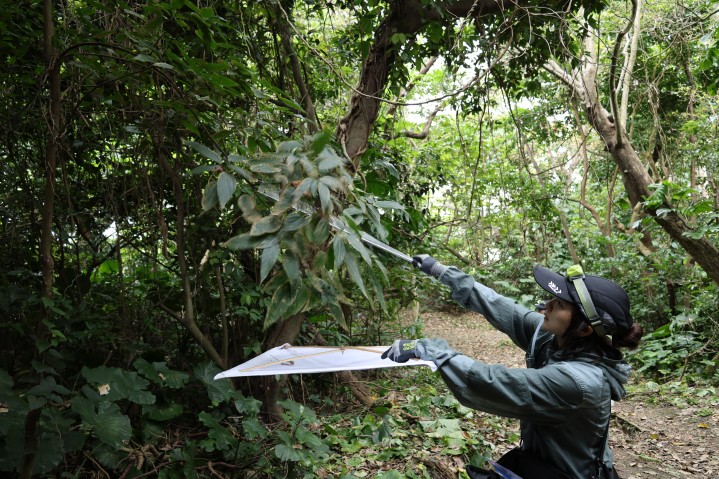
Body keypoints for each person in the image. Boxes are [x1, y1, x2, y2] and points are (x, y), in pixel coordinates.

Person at [382, 255, 644, 479]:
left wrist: (429, 350)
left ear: (585, 328)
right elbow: (502, 307)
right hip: (540, 462)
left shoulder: (578, 381)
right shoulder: (557, 339)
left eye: (561, 304)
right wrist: (440, 271)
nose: (547, 305)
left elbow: (492, 382)